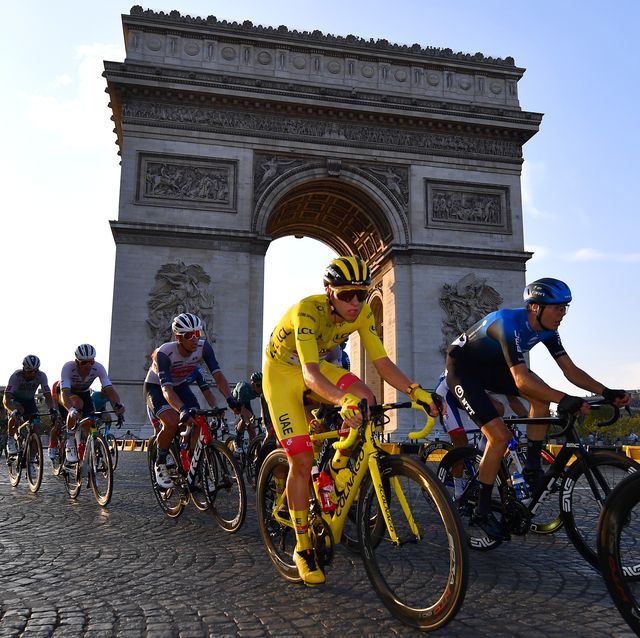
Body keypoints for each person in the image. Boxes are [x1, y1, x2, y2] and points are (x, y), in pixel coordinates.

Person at [263, 255, 440, 586]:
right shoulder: (307, 311)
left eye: (363, 293)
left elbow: (383, 363)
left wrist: (417, 391)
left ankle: (338, 460)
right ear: (329, 291)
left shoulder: (359, 315)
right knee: (301, 459)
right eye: (347, 295)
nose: (356, 302)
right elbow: (310, 373)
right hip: (285, 374)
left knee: (367, 399)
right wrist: (341, 399)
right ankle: (303, 548)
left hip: (313, 369)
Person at [444, 277, 630, 541]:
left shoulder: (547, 330)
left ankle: (532, 466)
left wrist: (606, 392)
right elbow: (521, 380)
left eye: (565, 307)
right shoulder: (508, 323)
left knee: (541, 396)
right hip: (463, 370)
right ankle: (482, 510)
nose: (562, 314)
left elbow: (571, 370)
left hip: (493, 368)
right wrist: (565, 399)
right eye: (557, 307)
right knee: (499, 436)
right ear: (535, 307)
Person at [144, 312, 238, 489]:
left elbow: (217, 375)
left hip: (180, 385)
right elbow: (166, 389)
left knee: (197, 420)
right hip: (157, 387)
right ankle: (160, 462)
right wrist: (181, 409)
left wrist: (229, 398)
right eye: (189, 335)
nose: (195, 339)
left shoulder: (204, 347)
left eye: (198, 334)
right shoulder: (164, 353)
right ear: (178, 337)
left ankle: (195, 464)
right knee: (172, 422)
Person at [53, 344, 125, 463]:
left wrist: (118, 406)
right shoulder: (68, 367)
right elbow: (65, 393)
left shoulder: (99, 368)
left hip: (84, 393)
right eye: (83, 363)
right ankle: (70, 443)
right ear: (76, 362)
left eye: (90, 362)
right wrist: (71, 409)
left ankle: (86, 453)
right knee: (77, 403)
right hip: (66, 392)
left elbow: (110, 391)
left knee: (88, 424)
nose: (87, 366)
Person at [3, 355, 58, 459]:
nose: (32, 374)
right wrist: (12, 410)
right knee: (19, 411)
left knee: (36, 428)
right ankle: (10, 439)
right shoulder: (16, 376)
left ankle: (32, 460)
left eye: (35, 371)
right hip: (14, 399)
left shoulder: (41, 376)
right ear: (24, 369)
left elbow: (47, 395)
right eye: (29, 371)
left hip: (29, 401)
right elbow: (7, 397)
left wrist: (52, 409)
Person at [230, 371, 264, 452]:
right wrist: (248, 423)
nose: (260, 388)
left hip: (246, 401)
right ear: (252, 384)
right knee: (248, 422)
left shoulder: (260, 389)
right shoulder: (244, 388)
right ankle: (237, 439)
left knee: (252, 428)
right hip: (235, 402)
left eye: (262, 385)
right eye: (258, 385)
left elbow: (263, 404)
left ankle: (252, 448)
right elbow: (242, 410)